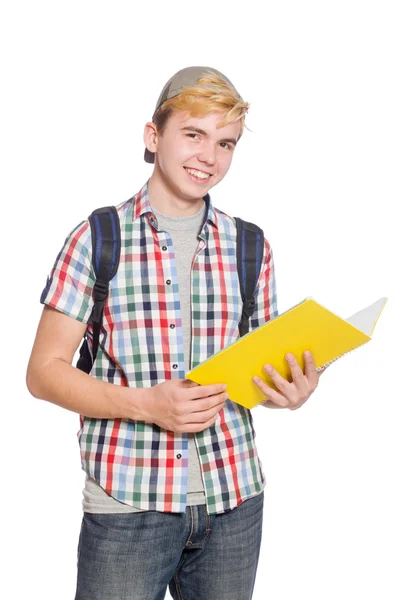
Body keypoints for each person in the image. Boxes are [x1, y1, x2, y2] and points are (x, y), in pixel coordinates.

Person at [26, 66, 322, 600]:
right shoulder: (97, 238)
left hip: (233, 502)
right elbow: (43, 374)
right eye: (193, 134)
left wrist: (292, 391)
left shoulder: (250, 246)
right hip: (128, 505)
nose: (209, 156)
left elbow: (261, 373)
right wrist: (147, 405)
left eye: (225, 142)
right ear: (153, 136)